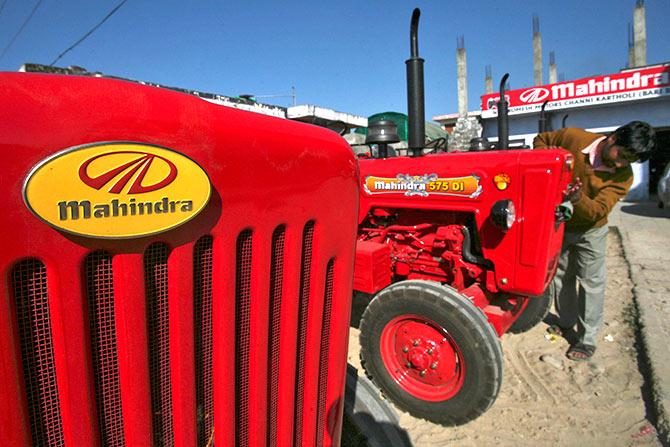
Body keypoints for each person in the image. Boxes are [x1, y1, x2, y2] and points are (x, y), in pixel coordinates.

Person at [534, 121, 655, 361]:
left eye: (628, 160)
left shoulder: (623, 177)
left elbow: (598, 211)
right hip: (562, 225)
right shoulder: (573, 137)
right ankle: (566, 322)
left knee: (591, 282)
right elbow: (542, 140)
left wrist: (577, 198)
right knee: (561, 275)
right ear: (612, 137)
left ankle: (587, 339)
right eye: (621, 154)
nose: (620, 163)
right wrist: (555, 167)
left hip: (591, 231)